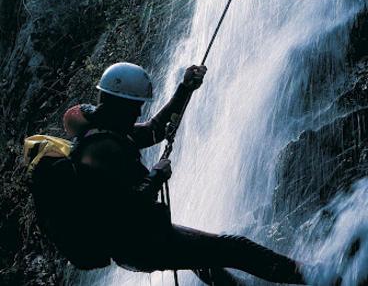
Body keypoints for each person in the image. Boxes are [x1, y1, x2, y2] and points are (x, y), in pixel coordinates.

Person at [30, 62, 307, 284]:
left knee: (205, 259)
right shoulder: (102, 149)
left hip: (137, 239)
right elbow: (121, 208)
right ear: (121, 103)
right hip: (139, 243)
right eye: (136, 105)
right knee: (233, 247)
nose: (139, 110)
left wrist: (185, 89)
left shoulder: (107, 131)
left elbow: (155, 129)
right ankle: (311, 276)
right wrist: (156, 176)